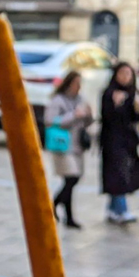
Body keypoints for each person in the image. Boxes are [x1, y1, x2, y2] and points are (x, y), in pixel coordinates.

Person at [100, 62, 139, 225]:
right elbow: (107, 117)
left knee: (120, 174)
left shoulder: (132, 94)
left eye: (128, 74)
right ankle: (122, 210)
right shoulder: (109, 93)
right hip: (112, 141)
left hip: (127, 141)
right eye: (122, 73)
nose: (125, 77)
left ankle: (112, 208)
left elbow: (136, 119)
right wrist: (116, 104)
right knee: (117, 174)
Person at [44, 71, 92, 229]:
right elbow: (50, 121)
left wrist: (88, 115)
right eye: (76, 83)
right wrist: (74, 115)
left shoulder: (81, 100)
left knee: (72, 180)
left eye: (80, 83)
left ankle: (64, 214)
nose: (79, 87)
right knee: (71, 179)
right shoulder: (57, 101)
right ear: (68, 83)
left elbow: (87, 123)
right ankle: (55, 207)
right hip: (62, 146)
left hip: (77, 145)